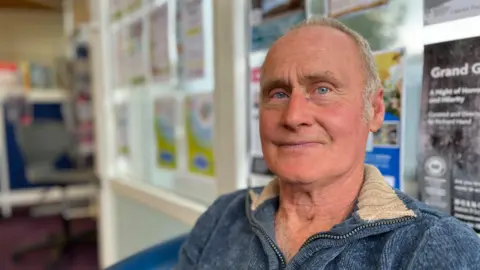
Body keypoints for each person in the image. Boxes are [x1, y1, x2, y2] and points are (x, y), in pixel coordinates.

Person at [175, 17, 480, 269]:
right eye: (278, 94)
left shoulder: (437, 248)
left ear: (374, 111)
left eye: (323, 89)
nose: (294, 117)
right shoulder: (223, 215)